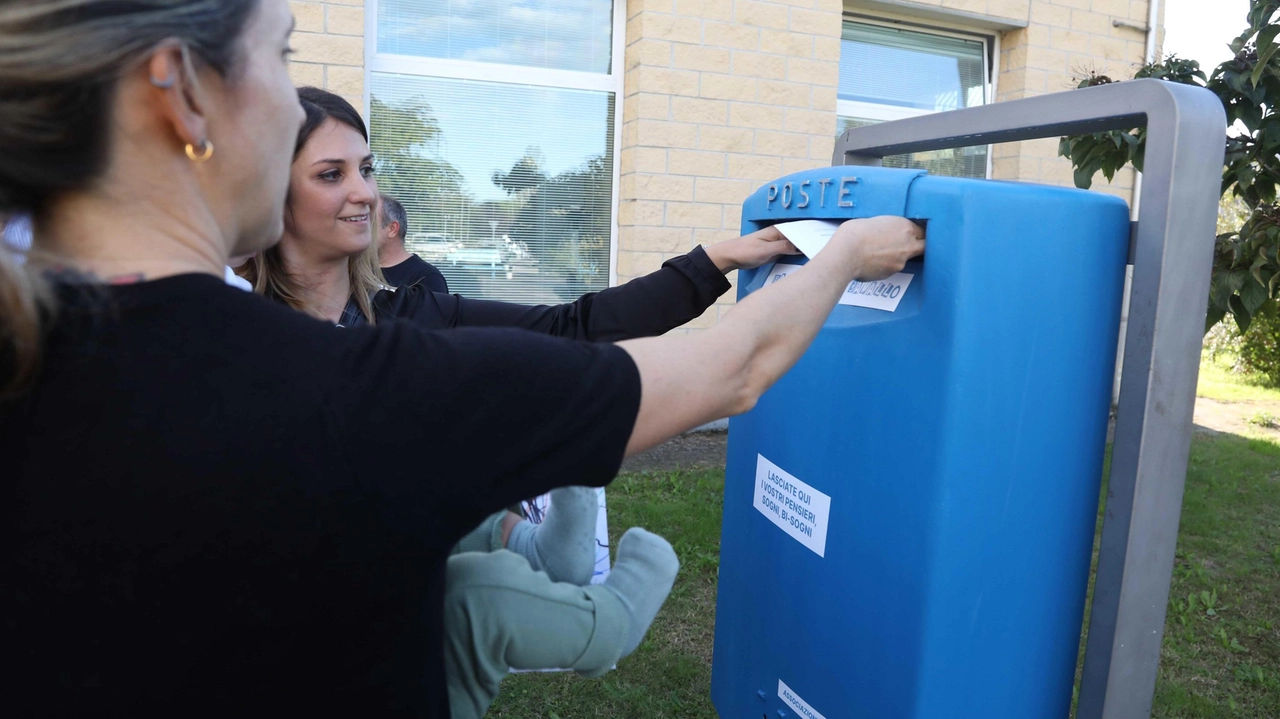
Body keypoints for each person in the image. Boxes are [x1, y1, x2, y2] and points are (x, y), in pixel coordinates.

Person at [0, 2, 925, 718]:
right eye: (279, 55)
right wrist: (844, 255)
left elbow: (576, 324)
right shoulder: (356, 396)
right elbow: (733, 371)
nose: (290, 104)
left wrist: (718, 259)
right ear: (183, 94)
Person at [243, 87, 801, 588]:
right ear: (272, 194)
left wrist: (717, 259)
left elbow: (575, 328)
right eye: (330, 174)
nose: (365, 193)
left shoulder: (414, 316)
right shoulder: (232, 329)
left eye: (367, 168)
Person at [377, 192, 448, 291]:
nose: (361, 227)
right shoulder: (357, 270)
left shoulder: (427, 279)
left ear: (392, 229)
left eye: (370, 221)